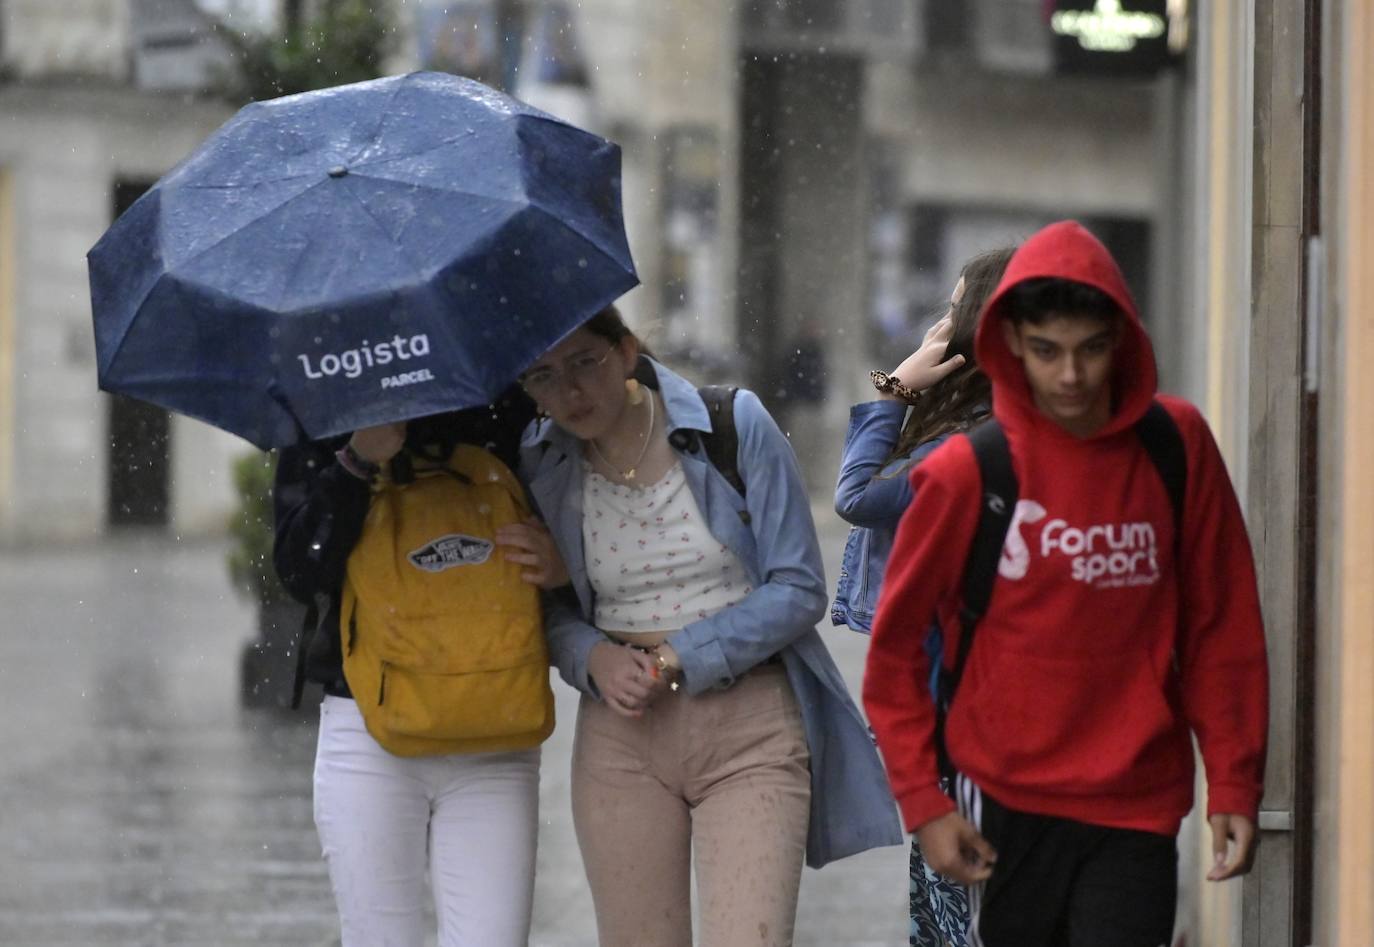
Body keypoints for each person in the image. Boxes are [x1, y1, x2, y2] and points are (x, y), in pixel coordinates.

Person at [863, 220, 1269, 947]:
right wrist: (923, 800)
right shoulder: (966, 473)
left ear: (1122, 339)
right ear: (1012, 343)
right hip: (1006, 799)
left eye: (1090, 350)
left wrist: (1235, 780)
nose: (1072, 376)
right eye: (1048, 351)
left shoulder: (1176, 447)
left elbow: (1222, 624)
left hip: (1137, 802)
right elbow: (895, 651)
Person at [513, 305, 902, 947]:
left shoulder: (730, 423)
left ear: (628, 352)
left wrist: (678, 657)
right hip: (622, 738)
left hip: (750, 730)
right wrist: (589, 656)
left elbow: (800, 586)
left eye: (585, 362)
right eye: (544, 377)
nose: (570, 391)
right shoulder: (543, 464)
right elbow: (551, 605)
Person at [272, 394, 552, 947]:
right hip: (368, 727)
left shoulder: (504, 390)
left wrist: (561, 559)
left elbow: (576, 525)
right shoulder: (326, 396)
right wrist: (356, 460)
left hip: (495, 728)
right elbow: (300, 571)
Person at [832, 247, 1013, 947]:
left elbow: (858, 495)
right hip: (962, 709)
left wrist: (891, 393)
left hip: (963, 715)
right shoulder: (980, 426)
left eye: (955, 308)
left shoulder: (974, 443)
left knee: (961, 917)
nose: (941, 326)